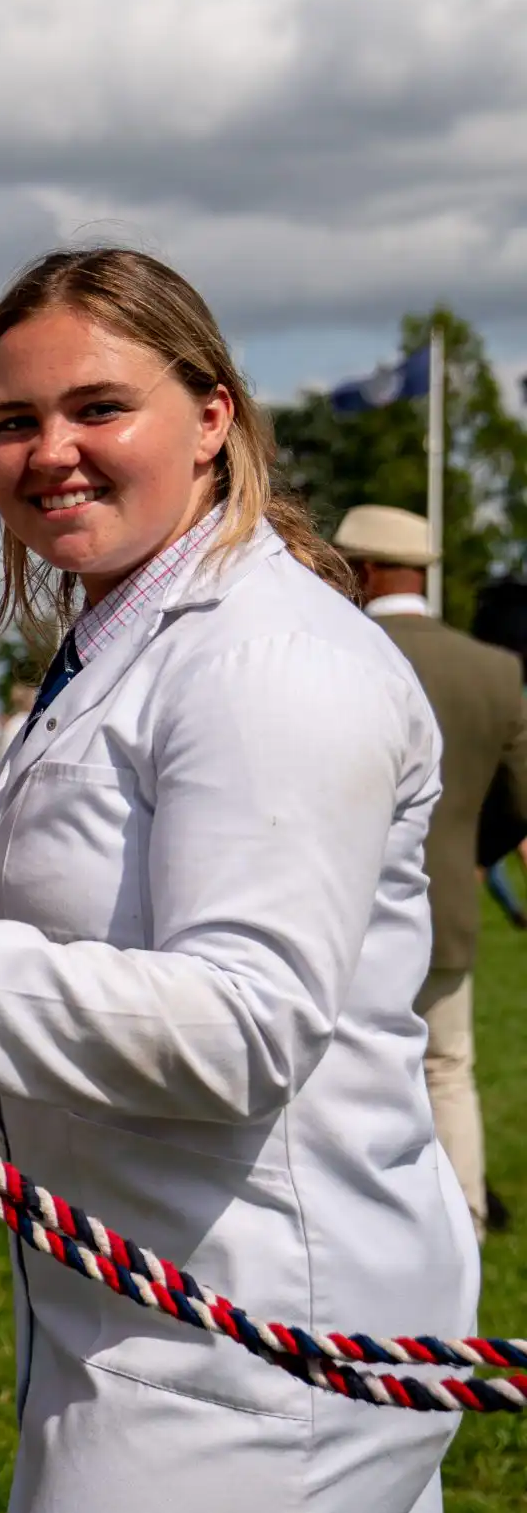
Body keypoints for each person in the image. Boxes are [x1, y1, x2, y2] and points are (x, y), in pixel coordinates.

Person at [0, 248, 475, 1513]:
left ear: (211, 416)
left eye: (99, 407)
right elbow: (131, 915)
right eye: (14, 421)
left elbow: (248, 1023)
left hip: (247, 1344)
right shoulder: (130, 630)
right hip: (174, 1308)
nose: (52, 453)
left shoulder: (267, 661)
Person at [334, 503, 527, 1242]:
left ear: (364, 569)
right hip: (445, 903)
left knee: (341, 1078)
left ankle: (361, 1227)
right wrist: (471, 856)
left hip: (336, 907)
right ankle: (465, 1219)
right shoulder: (494, 669)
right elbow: (522, 800)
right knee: (447, 1068)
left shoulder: (329, 647)